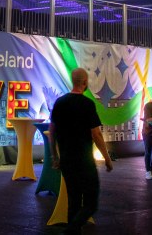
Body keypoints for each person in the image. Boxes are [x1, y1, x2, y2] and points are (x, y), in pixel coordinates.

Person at [50, 67, 113, 235]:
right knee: (91, 204)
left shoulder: (59, 103)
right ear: (85, 82)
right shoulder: (87, 104)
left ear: (73, 81)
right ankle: (70, 230)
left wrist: (55, 156)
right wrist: (107, 158)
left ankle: (72, 230)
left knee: (74, 201)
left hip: (66, 160)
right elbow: (96, 134)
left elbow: (52, 131)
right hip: (84, 161)